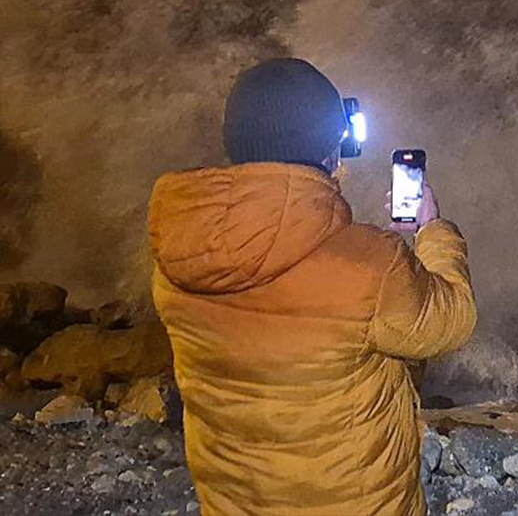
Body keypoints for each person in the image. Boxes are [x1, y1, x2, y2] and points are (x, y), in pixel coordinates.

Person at [146, 58, 476, 516]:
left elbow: (283, 245)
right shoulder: (370, 264)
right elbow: (451, 318)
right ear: (331, 151)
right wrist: (432, 231)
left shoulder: (180, 256)